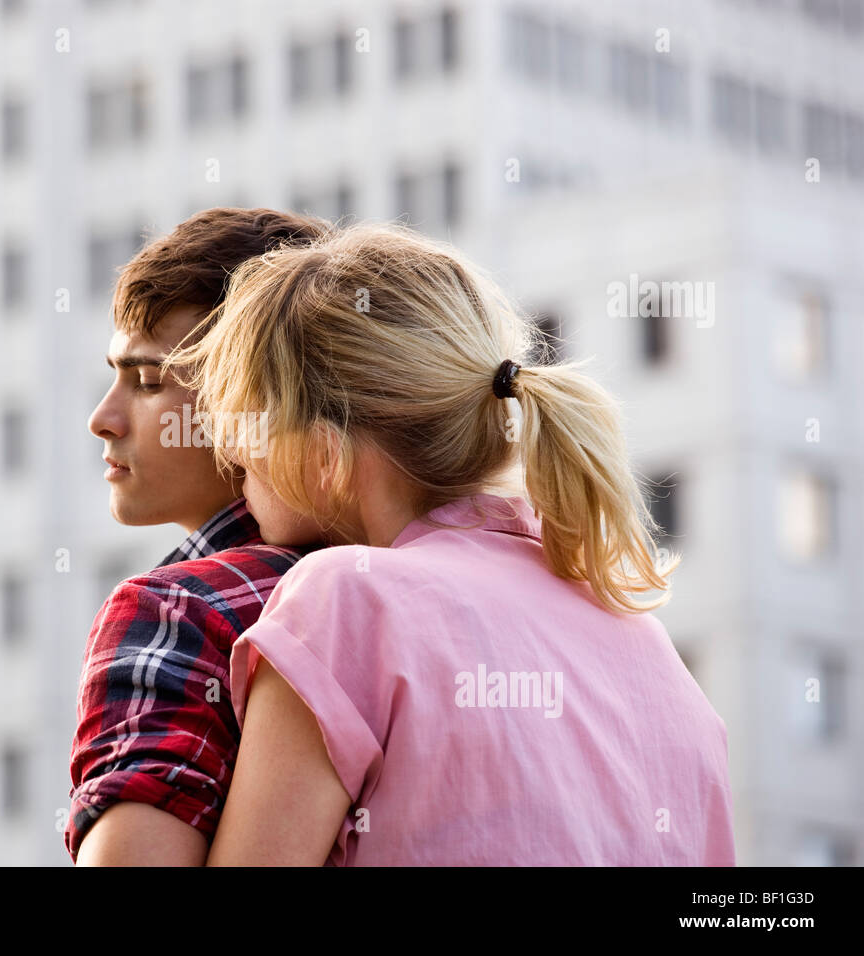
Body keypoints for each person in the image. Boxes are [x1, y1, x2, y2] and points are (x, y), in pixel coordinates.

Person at [165, 223, 737, 866]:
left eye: (250, 419)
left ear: (324, 449)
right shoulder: (647, 646)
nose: (232, 450)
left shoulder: (344, 600)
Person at [66, 207, 332, 865]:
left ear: (256, 395)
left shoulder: (180, 614)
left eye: (148, 379)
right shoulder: (436, 581)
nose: (103, 418)